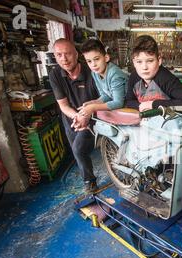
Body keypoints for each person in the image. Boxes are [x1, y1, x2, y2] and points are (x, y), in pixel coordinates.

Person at [48, 38, 99, 194]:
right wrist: (78, 116)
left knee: (78, 149)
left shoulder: (91, 71)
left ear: (76, 54)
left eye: (68, 53)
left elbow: (103, 99)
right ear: (55, 57)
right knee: (77, 151)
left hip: (94, 115)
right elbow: (63, 104)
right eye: (59, 55)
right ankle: (89, 180)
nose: (64, 58)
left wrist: (86, 114)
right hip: (72, 119)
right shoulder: (55, 74)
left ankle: (92, 180)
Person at [125, 35, 182, 111]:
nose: (144, 67)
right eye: (139, 62)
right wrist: (142, 106)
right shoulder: (134, 77)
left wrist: (153, 104)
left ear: (159, 60)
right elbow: (129, 101)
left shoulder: (165, 78)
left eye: (150, 61)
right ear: (134, 62)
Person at [78, 39, 128, 118]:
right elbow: (106, 95)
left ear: (106, 58)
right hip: (120, 109)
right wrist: (94, 102)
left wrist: (93, 107)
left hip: (131, 107)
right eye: (89, 61)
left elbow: (118, 103)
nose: (93, 64)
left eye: (97, 59)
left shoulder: (114, 74)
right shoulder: (95, 73)